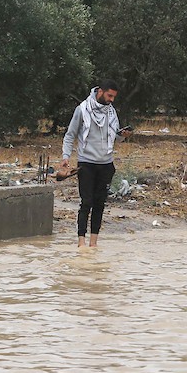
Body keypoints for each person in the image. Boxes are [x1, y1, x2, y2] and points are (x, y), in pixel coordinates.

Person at [61, 80, 125, 248]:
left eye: (114, 97)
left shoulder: (111, 112)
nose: (111, 100)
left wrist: (124, 135)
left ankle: (93, 243)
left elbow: (116, 136)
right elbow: (70, 135)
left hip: (106, 164)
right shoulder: (82, 109)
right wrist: (66, 156)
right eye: (109, 95)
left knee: (100, 203)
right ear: (100, 92)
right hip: (86, 163)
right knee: (86, 202)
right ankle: (81, 242)